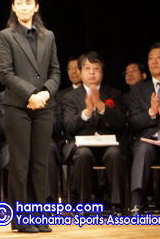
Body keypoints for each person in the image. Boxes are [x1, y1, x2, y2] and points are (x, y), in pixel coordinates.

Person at [0, 0, 60, 233]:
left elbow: (55, 71)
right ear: (13, 7)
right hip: (18, 107)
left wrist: (45, 92)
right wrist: (31, 94)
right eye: (19, 2)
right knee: (20, 164)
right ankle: (21, 218)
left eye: (28, 2)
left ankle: (39, 215)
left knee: (39, 163)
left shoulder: (49, 36)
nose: (24, 6)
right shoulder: (6, 35)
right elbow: (5, 73)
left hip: (44, 105)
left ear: (36, 6)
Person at [62, 52, 127, 214]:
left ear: (102, 73)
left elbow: (121, 124)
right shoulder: (70, 97)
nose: (92, 72)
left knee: (115, 153)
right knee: (83, 154)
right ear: (81, 72)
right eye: (87, 68)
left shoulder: (114, 94)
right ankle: (84, 205)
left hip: (108, 144)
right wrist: (87, 112)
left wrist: (101, 106)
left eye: (96, 68)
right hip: (81, 145)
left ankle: (117, 204)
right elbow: (69, 126)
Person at [128, 42, 160, 215]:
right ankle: (136, 202)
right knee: (142, 149)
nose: (154, 62)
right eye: (150, 58)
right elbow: (133, 122)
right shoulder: (138, 90)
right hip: (148, 139)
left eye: (159, 58)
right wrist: (151, 112)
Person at [48, 56, 82, 202]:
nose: (73, 72)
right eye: (70, 69)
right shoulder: (61, 95)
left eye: (76, 68)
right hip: (66, 139)